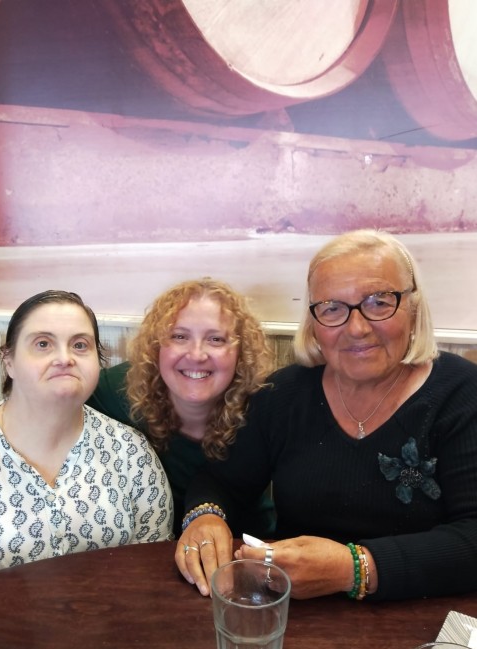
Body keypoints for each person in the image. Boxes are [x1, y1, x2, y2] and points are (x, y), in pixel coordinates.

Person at [175, 229, 477, 601]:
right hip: (292, 613)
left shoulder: (462, 394)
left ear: (413, 307)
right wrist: (206, 517)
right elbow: (221, 481)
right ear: (314, 323)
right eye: (332, 308)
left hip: (427, 619)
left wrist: (354, 569)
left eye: (379, 302)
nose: (357, 328)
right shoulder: (283, 395)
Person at [0, 290, 173, 579]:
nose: (64, 358)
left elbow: (154, 568)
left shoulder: (131, 453)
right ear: (9, 361)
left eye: (80, 345)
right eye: (43, 344)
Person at [86, 278, 276, 538]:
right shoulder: (116, 392)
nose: (196, 354)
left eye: (216, 339)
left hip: (245, 546)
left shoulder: (263, 406)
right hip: (146, 550)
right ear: (156, 347)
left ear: (240, 353)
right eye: (179, 336)